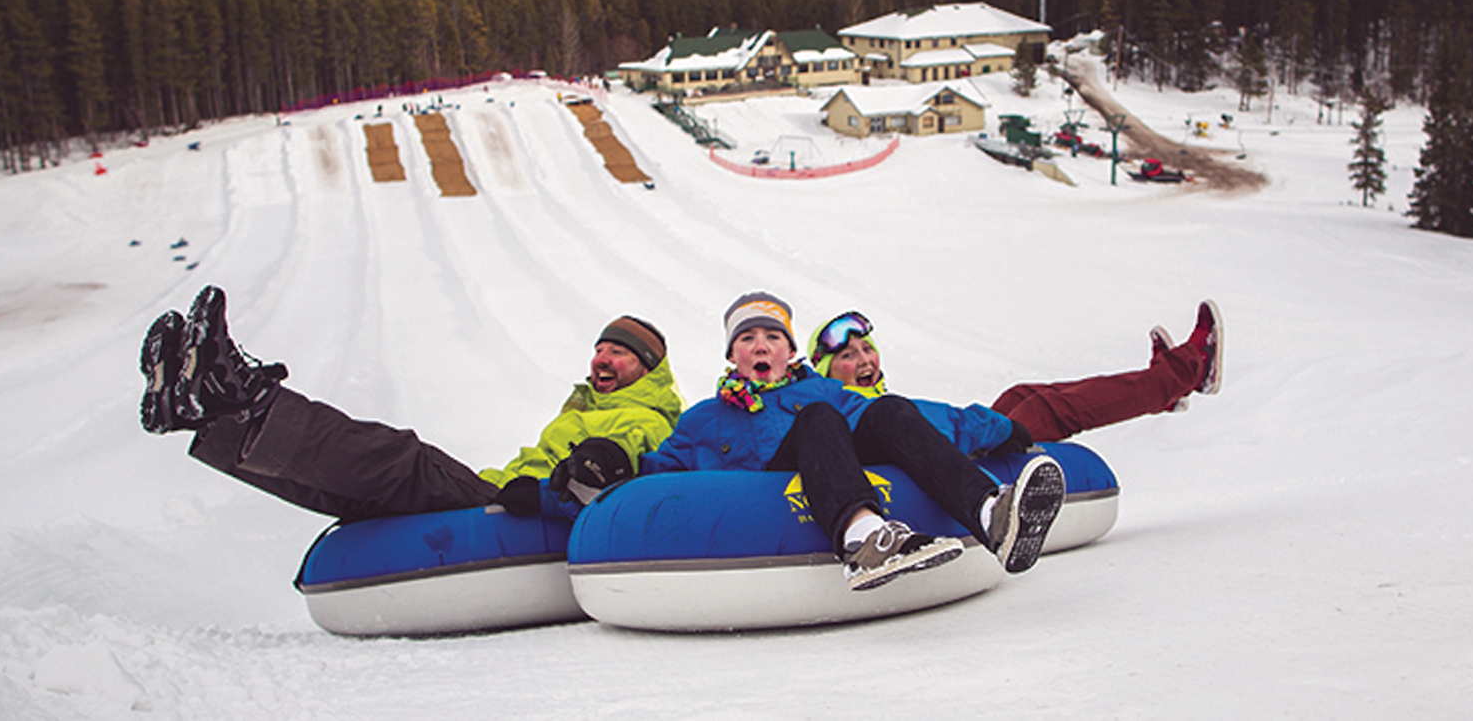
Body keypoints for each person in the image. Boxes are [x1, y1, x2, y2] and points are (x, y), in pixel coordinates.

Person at [138, 285, 681, 522]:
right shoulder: (582, 409)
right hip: (511, 493)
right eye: (600, 350)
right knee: (361, 495)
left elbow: (630, 457)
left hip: (528, 508)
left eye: (621, 354)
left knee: (403, 462)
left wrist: (598, 461)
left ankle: (243, 399)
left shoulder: (648, 419)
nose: (603, 360)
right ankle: (208, 415)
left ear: (648, 368)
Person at [638, 292, 1067, 592]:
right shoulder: (704, 419)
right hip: (769, 496)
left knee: (887, 408)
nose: (761, 346)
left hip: (832, 466)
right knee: (819, 419)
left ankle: (991, 514)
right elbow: (657, 474)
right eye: (747, 338)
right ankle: (864, 539)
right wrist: (611, 465)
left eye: (773, 337)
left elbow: (908, 422)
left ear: (790, 351)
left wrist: (994, 427)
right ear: (732, 356)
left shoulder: (822, 391)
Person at [810, 301, 1223, 448]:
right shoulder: (842, 410)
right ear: (827, 372)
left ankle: (1161, 390)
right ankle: (1190, 369)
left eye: (867, 348)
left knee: (1020, 394)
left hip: (960, 445)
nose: (864, 359)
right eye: (848, 354)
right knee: (1052, 408)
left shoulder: (869, 400)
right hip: (961, 464)